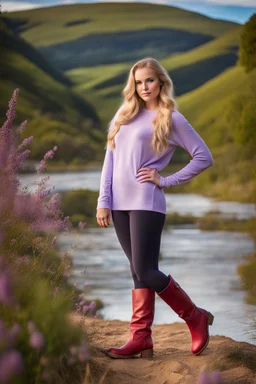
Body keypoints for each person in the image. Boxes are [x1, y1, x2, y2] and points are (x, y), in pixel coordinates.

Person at [96, 57, 214, 359]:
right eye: (138, 81)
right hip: (119, 204)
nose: (144, 86)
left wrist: (166, 180)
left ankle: (194, 316)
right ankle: (141, 338)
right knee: (138, 272)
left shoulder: (170, 117)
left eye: (149, 80)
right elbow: (109, 160)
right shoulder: (123, 114)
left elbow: (203, 156)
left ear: (160, 81)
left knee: (146, 270)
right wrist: (103, 201)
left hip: (147, 200)